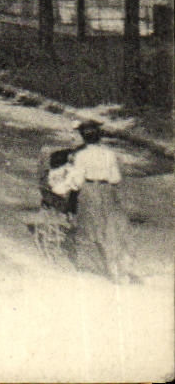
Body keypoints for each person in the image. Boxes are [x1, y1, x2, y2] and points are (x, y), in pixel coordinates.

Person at [50, 121, 133, 283]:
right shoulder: (109, 154)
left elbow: (78, 180)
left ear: (83, 138)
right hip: (107, 192)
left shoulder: (81, 156)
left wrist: (61, 188)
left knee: (94, 228)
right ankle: (120, 269)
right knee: (110, 228)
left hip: (89, 192)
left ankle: (105, 268)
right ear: (99, 138)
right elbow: (115, 178)